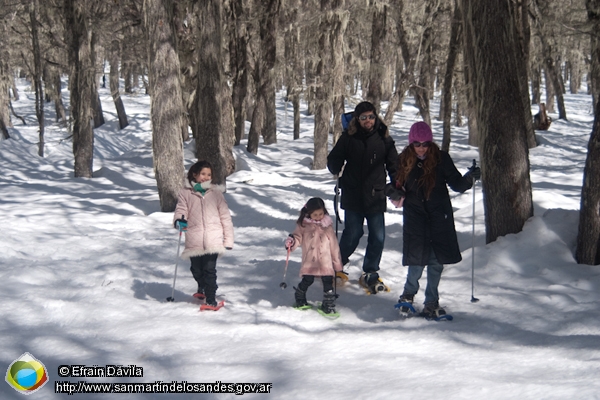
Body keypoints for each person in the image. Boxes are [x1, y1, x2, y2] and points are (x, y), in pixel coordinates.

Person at [388, 121, 480, 318]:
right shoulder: (403, 160)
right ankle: (408, 295)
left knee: (437, 261)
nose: (422, 148)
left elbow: (457, 184)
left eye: (425, 143)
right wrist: (393, 192)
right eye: (417, 144)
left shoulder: (441, 159)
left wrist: (469, 178)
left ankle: (432, 300)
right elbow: (396, 185)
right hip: (415, 216)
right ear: (411, 143)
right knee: (417, 260)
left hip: (439, 215)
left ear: (431, 143)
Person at [327, 101, 398, 294]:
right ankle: (337, 264)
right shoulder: (349, 138)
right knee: (353, 232)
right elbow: (335, 157)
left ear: (376, 117)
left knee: (378, 236)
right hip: (353, 194)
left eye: (371, 116)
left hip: (376, 194)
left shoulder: (384, 138)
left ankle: (370, 271)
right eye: (364, 117)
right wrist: (334, 164)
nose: (368, 121)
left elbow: (394, 165)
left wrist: (397, 185)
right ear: (357, 120)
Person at [173, 161, 234, 309]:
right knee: (196, 269)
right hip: (194, 238)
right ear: (195, 174)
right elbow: (181, 209)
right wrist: (179, 220)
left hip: (213, 239)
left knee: (209, 270)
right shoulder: (186, 193)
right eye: (203, 174)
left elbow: (225, 216)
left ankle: (211, 298)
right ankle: (202, 285)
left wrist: (228, 239)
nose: (206, 177)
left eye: (209, 175)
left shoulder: (216, 193)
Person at [285, 197, 343, 315]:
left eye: (321, 214)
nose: (318, 217)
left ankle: (328, 303)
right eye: (315, 214)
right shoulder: (304, 225)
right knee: (308, 280)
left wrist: (336, 262)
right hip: (310, 260)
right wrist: (292, 242)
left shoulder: (327, 226)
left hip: (325, 261)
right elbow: (297, 237)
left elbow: (334, 244)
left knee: (328, 282)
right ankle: (300, 296)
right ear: (308, 213)